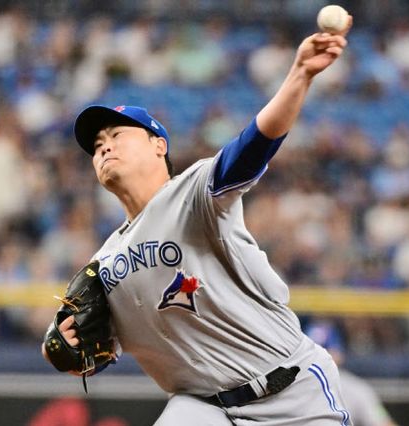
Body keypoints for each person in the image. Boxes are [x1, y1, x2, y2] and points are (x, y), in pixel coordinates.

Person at [42, 19, 354, 426]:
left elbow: (254, 145)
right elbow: (90, 350)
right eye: (97, 145)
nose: (104, 148)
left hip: (291, 393)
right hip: (203, 407)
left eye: (117, 136)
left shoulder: (193, 194)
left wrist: (299, 75)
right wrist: (58, 349)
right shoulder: (104, 263)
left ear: (159, 145)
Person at [304, 318, 399, 426]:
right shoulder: (292, 385)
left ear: (339, 355)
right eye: (313, 353)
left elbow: (383, 423)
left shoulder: (355, 389)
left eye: (326, 351)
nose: (318, 359)